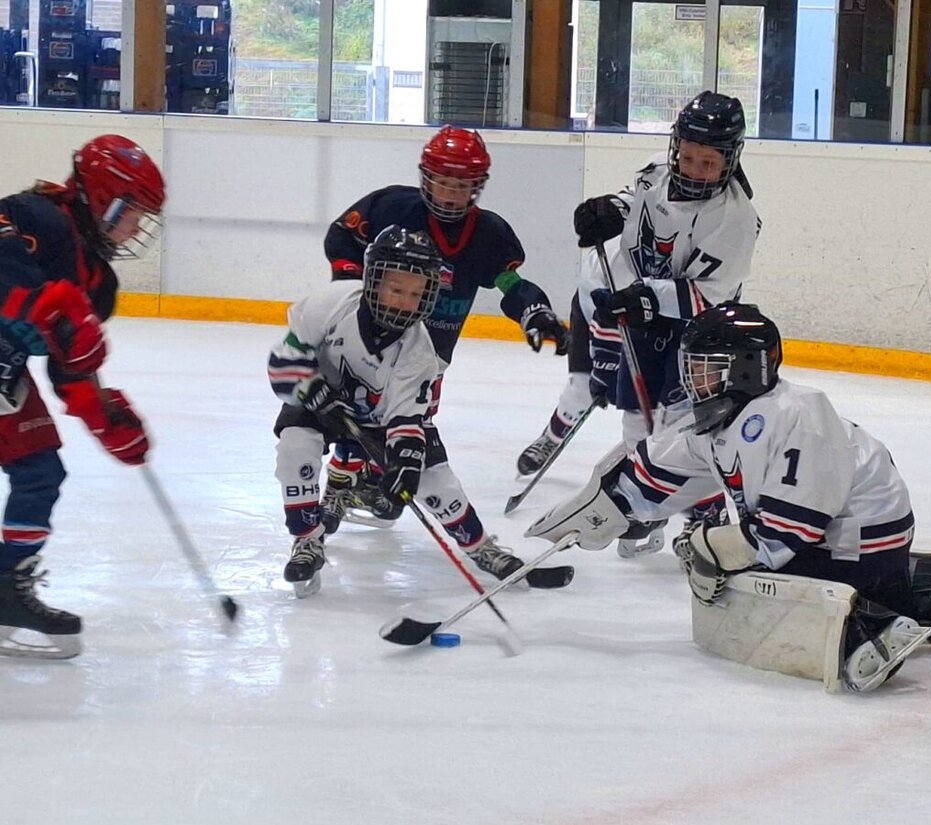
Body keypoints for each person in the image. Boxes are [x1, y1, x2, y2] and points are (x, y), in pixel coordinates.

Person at [526, 303, 931, 692]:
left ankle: (868, 630)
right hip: (849, 545)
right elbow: (656, 470)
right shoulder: (725, 419)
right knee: (721, 564)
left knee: (736, 584)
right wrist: (598, 508)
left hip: (857, 550)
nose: (694, 383)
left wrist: (713, 550)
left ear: (748, 369)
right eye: (691, 369)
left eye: (707, 370)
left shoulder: (796, 415)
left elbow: (789, 532)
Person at [516, 91, 762, 557]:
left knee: (684, 427)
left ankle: (703, 521)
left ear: (730, 160)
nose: (693, 169)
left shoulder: (735, 219)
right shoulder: (655, 170)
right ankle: (645, 515)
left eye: (707, 163)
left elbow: (710, 294)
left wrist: (647, 300)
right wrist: (609, 210)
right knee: (636, 417)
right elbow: (636, 204)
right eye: (686, 156)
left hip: (694, 330)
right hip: (640, 311)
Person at [319, 129, 571, 584]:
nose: (452, 194)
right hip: (370, 339)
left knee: (406, 423)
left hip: (429, 355)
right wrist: (353, 285)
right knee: (360, 413)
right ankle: (341, 479)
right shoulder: (393, 208)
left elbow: (513, 288)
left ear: (477, 186)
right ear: (425, 178)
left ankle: (351, 480)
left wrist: (536, 313)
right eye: (443, 182)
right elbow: (341, 236)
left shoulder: (488, 234)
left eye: (462, 185)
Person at [0, 135, 163, 659]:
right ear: (101, 198)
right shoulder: (34, 215)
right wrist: (41, 302)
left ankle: (6, 589)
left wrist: (106, 416)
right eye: (132, 213)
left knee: (40, 471)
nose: (136, 228)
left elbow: (68, 366)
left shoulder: (99, 283)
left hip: (5, 370)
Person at [269, 225, 447, 596]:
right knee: (294, 450)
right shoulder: (331, 302)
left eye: (413, 292)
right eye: (395, 288)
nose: (403, 299)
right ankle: (307, 538)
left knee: (402, 456)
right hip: (318, 398)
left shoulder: (417, 347)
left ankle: (348, 484)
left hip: (371, 405)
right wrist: (314, 394)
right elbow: (283, 363)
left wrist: (406, 462)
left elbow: (406, 414)